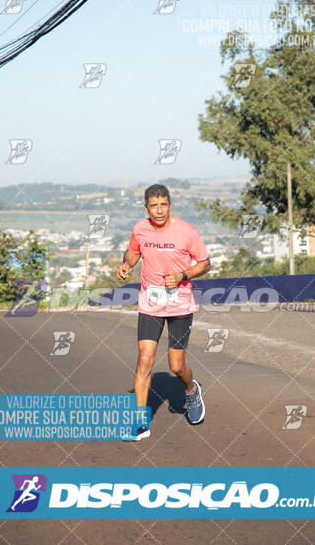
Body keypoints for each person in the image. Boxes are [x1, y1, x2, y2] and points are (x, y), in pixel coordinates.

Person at [116, 184, 211, 440]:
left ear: (170, 205)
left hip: (179, 303)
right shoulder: (140, 228)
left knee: (176, 366)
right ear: (146, 207)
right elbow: (133, 253)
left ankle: (191, 390)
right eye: (154, 206)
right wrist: (126, 265)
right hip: (150, 303)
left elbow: (205, 264)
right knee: (144, 359)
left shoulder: (186, 231)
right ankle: (140, 423)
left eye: (164, 205)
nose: (159, 211)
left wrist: (182, 274)